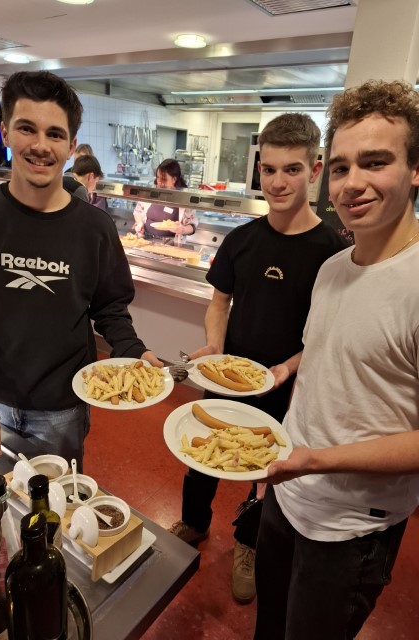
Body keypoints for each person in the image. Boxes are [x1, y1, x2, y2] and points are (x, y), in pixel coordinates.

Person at [253, 79, 419, 640]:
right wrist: (287, 382)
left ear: (415, 169)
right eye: (343, 167)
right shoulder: (333, 268)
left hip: (351, 528)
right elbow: (330, 361)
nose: (352, 183)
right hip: (286, 492)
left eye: (375, 162)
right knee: (267, 628)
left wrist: (316, 460)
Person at [0, 70, 161, 472]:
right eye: (27, 128)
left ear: (71, 146)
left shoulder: (95, 227)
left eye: (55, 134)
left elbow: (110, 306)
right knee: (0, 497)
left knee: (58, 505)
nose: (41, 145)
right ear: (5, 133)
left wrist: (131, 351)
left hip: (63, 408)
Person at [168, 113, 347, 605]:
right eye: (268, 170)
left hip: (289, 388)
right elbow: (218, 303)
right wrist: (214, 348)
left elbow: (327, 335)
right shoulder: (242, 240)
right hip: (229, 378)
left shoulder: (333, 253)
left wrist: (288, 367)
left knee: (267, 471)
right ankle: (193, 522)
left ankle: (247, 544)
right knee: (202, 455)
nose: (277, 182)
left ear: (315, 170)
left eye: (291, 169)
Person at [133, 158, 197, 240]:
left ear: (174, 179)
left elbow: (192, 225)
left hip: (170, 243)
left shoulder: (183, 199)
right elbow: (138, 212)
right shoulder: (151, 193)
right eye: (158, 178)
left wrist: (183, 229)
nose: (159, 182)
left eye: (164, 179)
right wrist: (139, 223)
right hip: (146, 240)